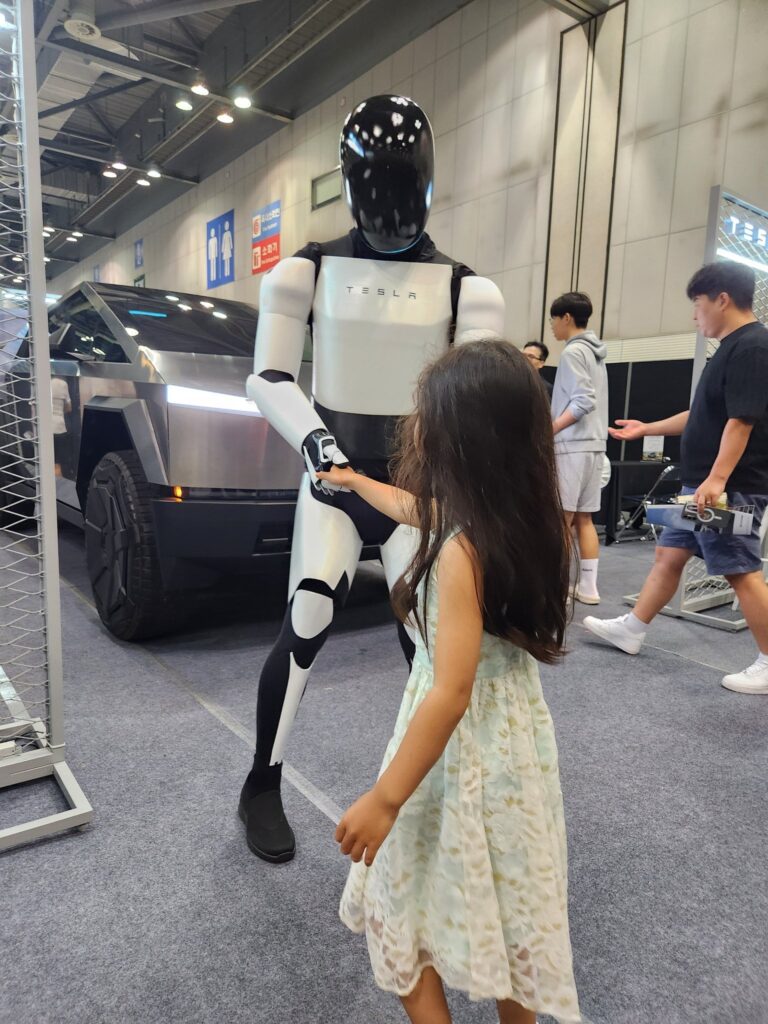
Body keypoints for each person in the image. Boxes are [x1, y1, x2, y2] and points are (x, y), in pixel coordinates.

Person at [240, 95, 505, 862]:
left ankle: (434, 789)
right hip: (334, 479)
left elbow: (477, 396)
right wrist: (320, 445)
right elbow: (267, 377)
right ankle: (262, 782)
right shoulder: (304, 270)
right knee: (309, 618)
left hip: (419, 494)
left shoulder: (468, 290)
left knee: (431, 643)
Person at [319, 340, 580, 1024]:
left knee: (396, 906)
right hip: (515, 750)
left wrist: (384, 797)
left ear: (458, 437)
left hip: (451, 752)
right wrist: (354, 482)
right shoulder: (528, 522)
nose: (416, 426)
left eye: (424, 414)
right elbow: (415, 508)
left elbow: (450, 691)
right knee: (510, 911)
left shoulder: (461, 553)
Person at [585, 261, 768, 695]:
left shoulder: (753, 347)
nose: (694, 315)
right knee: (668, 557)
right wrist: (646, 428)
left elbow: (741, 421)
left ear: (721, 298)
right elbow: (704, 415)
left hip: (725, 487)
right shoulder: (730, 347)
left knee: (740, 571)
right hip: (704, 484)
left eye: (697, 304)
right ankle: (632, 628)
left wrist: (718, 478)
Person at [549, 292, 608, 604]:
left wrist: (551, 428)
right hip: (595, 447)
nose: (552, 327)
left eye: (553, 320)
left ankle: (554, 588)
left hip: (572, 447)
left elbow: (583, 401)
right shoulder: (596, 353)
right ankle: (588, 587)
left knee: (562, 518)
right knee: (584, 519)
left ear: (566, 318)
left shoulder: (573, 353)